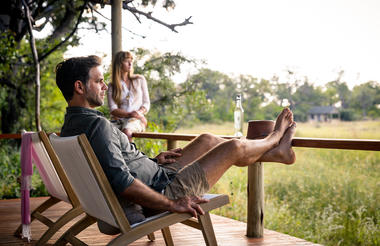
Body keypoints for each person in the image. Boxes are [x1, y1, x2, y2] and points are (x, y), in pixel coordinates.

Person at [55, 55, 296, 222]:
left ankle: (274, 153)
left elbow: (113, 164)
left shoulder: (71, 126)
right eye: (98, 81)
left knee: (207, 139)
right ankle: (274, 138)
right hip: (165, 192)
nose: (105, 87)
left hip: (158, 174)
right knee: (233, 146)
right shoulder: (97, 125)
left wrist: (152, 161)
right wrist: (172, 204)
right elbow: (122, 182)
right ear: (79, 86)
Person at [108, 51, 150, 142]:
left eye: (131, 60)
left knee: (126, 132)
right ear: (119, 64)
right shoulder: (112, 85)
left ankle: (129, 156)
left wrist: (138, 113)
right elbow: (113, 109)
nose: (130, 63)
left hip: (136, 119)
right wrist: (129, 114)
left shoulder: (139, 79)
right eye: (127, 61)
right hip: (118, 120)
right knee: (103, 132)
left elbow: (146, 103)